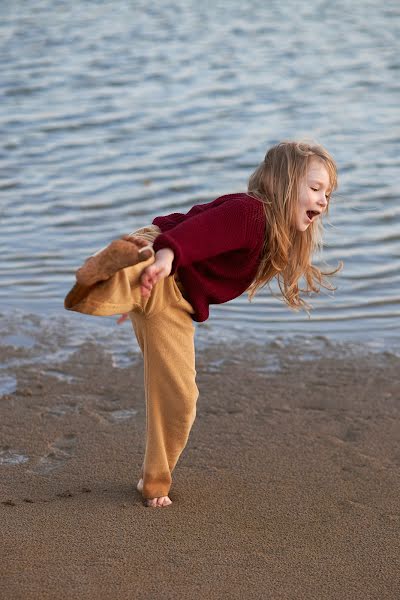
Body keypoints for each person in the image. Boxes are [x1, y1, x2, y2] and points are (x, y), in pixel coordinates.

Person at [65, 140, 342, 508]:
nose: (323, 200)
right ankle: (110, 274)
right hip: (163, 262)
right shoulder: (251, 212)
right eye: (315, 188)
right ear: (284, 183)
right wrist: (166, 256)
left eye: (327, 193)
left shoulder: (273, 232)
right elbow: (200, 233)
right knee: (142, 267)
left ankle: (153, 484)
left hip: (174, 303)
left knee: (180, 398)